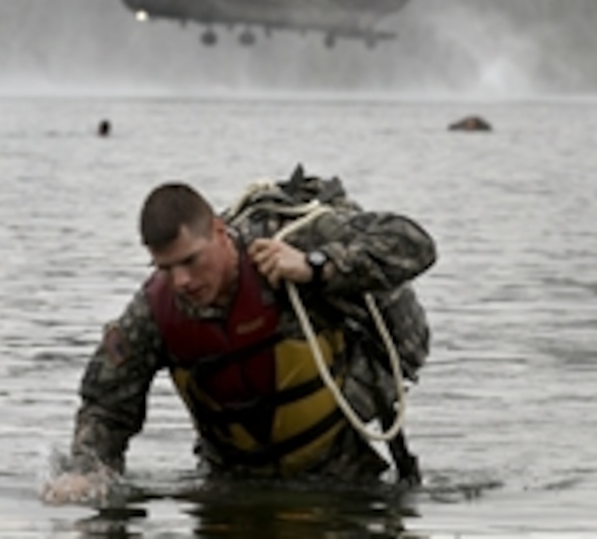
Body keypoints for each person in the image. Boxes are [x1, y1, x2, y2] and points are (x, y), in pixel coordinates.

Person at [43, 166, 436, 504]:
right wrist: (87, 472)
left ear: (219, 231)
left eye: (190, 261)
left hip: (343, 475)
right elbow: (107, 407)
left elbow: (414, 244)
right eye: (165, 267)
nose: (181, 281)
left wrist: (317, 267)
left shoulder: (289, 246)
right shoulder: (153, 312)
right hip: (233, 481)